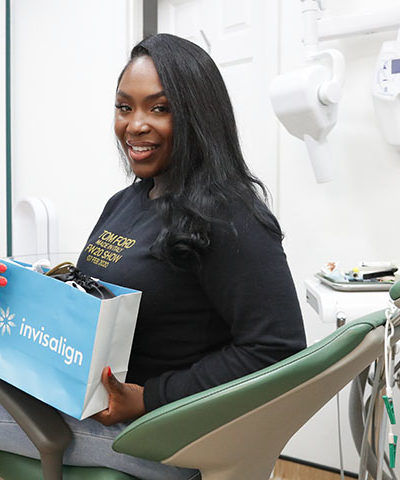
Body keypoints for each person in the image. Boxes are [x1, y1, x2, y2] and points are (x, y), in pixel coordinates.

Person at [0, 34, 306, 479]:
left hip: (153, 433)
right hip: (82, 400)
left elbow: (277, 350)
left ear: (198, 116)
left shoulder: (229, 216)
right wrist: (21, 296)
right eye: (124, 107)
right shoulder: (126, 202)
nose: (135, 125)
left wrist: (149, 397)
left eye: (159, 108)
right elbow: (92, 302)